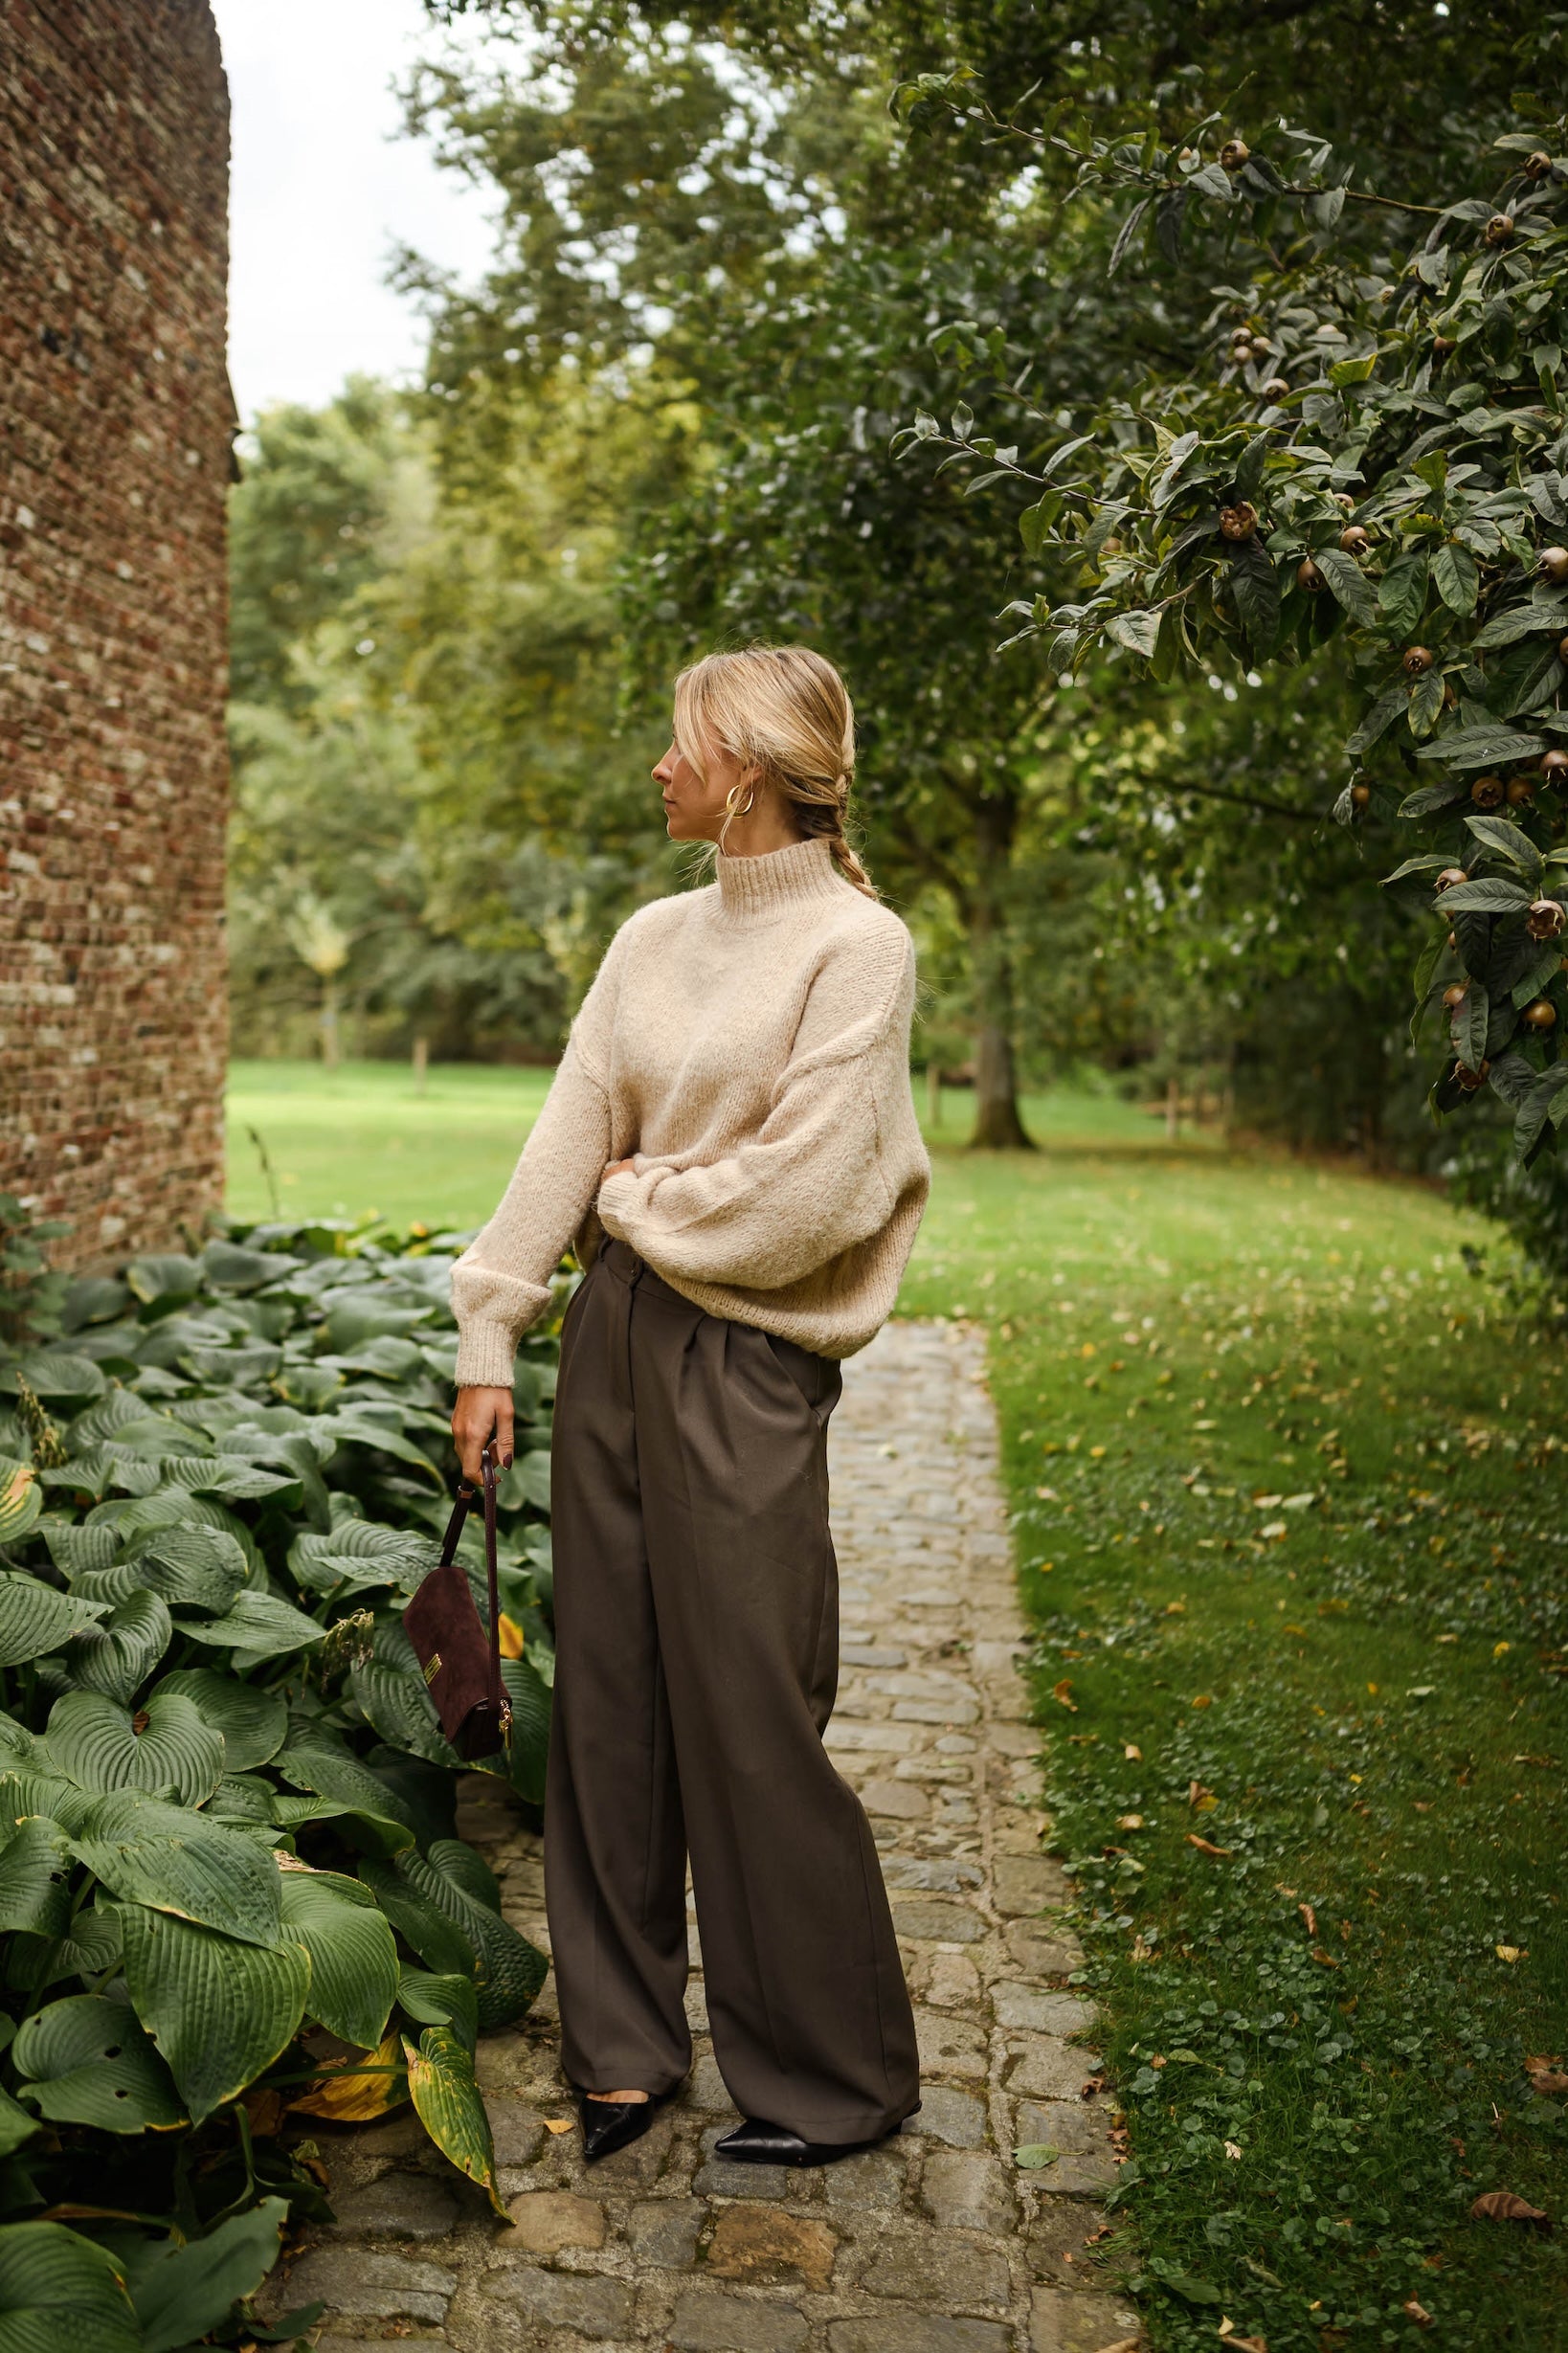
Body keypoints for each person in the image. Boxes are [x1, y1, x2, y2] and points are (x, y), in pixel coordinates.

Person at [449, 643, 930, 2167]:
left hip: (744, 1356)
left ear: (754, 764)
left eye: (680, 742)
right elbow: (568, 1125)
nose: (658, 766)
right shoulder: (650, 936)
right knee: (606, 1699)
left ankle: (833, 2077)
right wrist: (490, 1327)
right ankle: (623, 2042)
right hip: (611, 1335)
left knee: (749, 1707)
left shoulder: (858, 947)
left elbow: (808, 1189)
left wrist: (643, 1197)